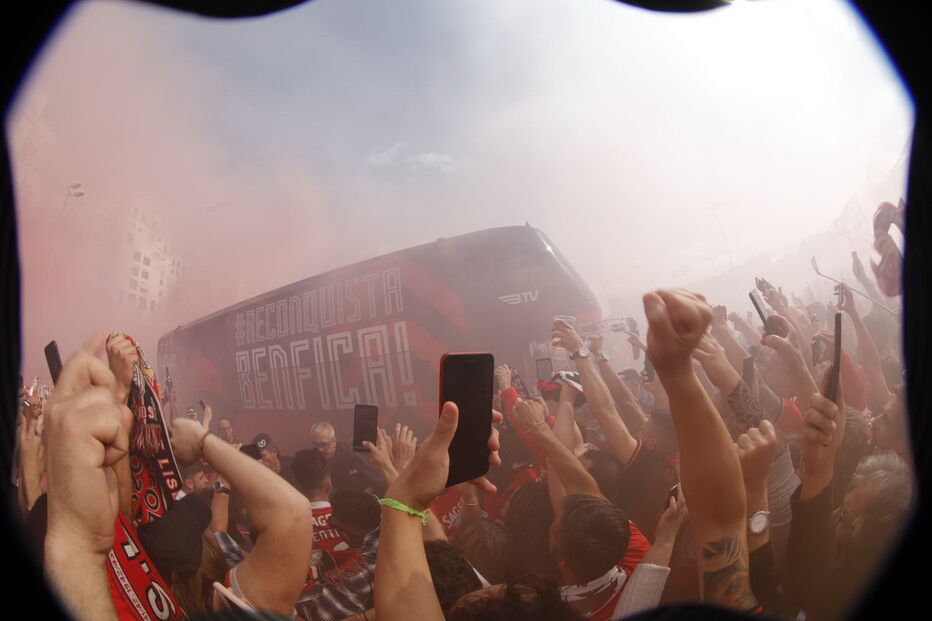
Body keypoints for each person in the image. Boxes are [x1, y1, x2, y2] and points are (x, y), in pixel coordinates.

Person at [309, 421, 387, 496]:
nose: (320, 449)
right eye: (316, 444)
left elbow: (380, 484)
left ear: (334, 441)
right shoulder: (311, 459)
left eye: (324, 444)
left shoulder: (353, 456)